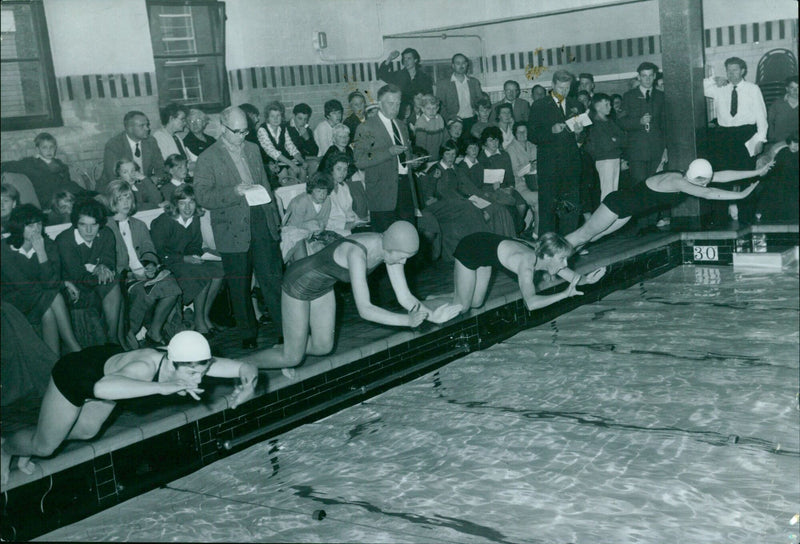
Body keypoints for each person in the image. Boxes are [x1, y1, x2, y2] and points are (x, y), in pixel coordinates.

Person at [0, 331, 258, 486]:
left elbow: (244, 367)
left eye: (202, 371)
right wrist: (163, 388)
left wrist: (249, 384)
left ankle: (34, 438)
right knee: (45, 448)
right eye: (191, 372)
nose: (198, 378)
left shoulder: (192, 362)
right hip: (77, 377)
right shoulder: (145, 367)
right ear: (172, 361)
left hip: (106, 368)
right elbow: (101, 389)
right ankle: (5, 448)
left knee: (87, 431)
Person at [249, 221, 461, 371]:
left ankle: (282, 348)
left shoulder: (391, 251)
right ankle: (241, 366)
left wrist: (434, 317)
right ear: (390, 247)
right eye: (402, 257)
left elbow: (405, 297)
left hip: (323, 286)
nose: (403, 263)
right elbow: (365, 309)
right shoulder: (357, 253)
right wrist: (407, 321)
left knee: (323, 347)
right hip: (298, 283)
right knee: (292, 358)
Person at [193, 106, 283, 350]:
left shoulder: (253, 149)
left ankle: (285, 329)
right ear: (223, 128)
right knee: (239, 284)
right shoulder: (208, 158)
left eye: (246, 131)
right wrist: (233, 192)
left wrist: (273, 222)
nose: (243, 136)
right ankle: (248, 334)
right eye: (237, 131)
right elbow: (202, 196)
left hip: (260, 221)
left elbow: (265, 185)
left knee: (272, 280)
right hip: (231, 227)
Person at [565, 158, 774, 249]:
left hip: (626, 211)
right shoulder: (678, 181)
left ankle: (557, 259)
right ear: (699, 178)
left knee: (593, 237)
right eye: (706, 180)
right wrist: (739, 196)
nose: (708, 182)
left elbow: (723, 175)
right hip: (617, 204)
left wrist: (756, 172)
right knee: (583, 235)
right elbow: (709, 193)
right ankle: (545, 255)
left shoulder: (689, 176)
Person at [446, 231, 605, 315]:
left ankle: (448, 296)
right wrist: (565, 294)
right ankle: (426, 308)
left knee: (476, 303)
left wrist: (587, 280)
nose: (565, 264)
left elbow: (573, 277)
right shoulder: (526, 264)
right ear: (548, 256)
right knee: (462, 307)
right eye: (562, 259)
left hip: (484, 251)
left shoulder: (545, 257)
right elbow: (531, 303)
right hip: (470, 248)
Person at [105, 180, 181, 348]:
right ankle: (129, 333)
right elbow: (109, 259)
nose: (126, 203)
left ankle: (154, 331)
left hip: (144, 273)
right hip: (124, 277)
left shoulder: (139, 224)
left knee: (172, 286)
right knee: (144, 291)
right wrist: (131, 273)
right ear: (112, 201)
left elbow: (148, 248)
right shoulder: (106, 227)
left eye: (128, 198)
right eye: (120, 199)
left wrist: (150, 265)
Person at [1, 204, 82, 355]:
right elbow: (24, 287)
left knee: (48, 312)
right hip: (12, 301)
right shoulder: (4, 250)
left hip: (39, 298)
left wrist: (41, 253)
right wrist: (61, 283)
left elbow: (51, 283)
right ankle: (75, 348)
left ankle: (53, 362)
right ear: (18, 226)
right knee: (54, 296)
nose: (36, 229)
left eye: (39, 224)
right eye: (30, 225)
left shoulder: (47, 245)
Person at [150, 184, 225, 336]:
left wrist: (195, 256)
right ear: (175, 204)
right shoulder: (165, 220)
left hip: (186, 261)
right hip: (168, 262)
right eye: (182, 203)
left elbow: (195, 245)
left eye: (191, 202)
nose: (187, 207)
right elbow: (159, 252)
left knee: (219, 271)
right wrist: (185, 258)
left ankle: (204, 315)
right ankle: (199, 322)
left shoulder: (195, 219)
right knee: (201, 273)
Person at [704, 57, 768, 223]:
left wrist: (761, 138)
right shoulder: (719, 88)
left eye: (735, 70)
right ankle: (720, 218)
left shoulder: (752, 89)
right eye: (728, 70)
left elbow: (761, 115)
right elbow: (699, 87)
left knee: (747, 176)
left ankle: (747, 217)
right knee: (720, 177)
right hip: (723, 135)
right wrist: (714, 79)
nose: (732, 74)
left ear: (743, 71)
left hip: (746, 134)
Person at [353, 84, 421, 232]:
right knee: (386, 241)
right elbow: (359, 160)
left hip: (405, 189)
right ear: (379, 104)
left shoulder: (402, 125)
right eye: (391, 103)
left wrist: (412, 161)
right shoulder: (366, 127)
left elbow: (403, 155)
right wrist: (388, 152)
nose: (396, 108)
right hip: (382, 193)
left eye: (398, 103)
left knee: (408, 237)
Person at [55, 198, 122, 345]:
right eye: (83, 225)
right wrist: (98, 270)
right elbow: (78, 276)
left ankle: (113, 338)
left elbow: (109, 260)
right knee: (107, 282)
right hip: (74, 289)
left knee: (111, 280)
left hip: (94, 283)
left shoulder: (106, 234)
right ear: (75, 224)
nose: (89, 231)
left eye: (94, 225)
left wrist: (104, 266)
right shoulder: (64, 240)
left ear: (100, 224)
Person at [529, 70, 585, 236]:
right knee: (548, 209)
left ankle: (569, 244)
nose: (564, 92)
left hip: (571, 164)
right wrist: (550, 131)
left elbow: (582, 138)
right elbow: (532, 135)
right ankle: (547, 247)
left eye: (567, 88)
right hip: (549, 166)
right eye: (560, 88)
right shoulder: (539, 106)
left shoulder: (577, 105)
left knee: (570, 208)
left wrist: (579, 132)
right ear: (552, 85)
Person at [1, 133, 89, 208]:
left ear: (55, 148)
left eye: (52, 147)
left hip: (65, 199)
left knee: (88, 204)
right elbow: (7, 165)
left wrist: (92, 194)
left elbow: (69, 185)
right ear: (37, 149)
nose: (49, 150)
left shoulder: (61, 165)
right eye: (44, 147)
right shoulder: (30, 163)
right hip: (48, 203)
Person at [619, 62, 666, 188]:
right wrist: (638, 122)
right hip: (636, 151)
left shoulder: (661, 96)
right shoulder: (629, 96)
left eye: (650, 75)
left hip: (657, 150)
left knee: (656, 186)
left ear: (655, 76)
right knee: (639, 187)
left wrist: (666, 148)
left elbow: (665, 125)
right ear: (638, 77)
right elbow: (621, 122)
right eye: (644, 76)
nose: (648, 79)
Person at [478, 126, 531, 236]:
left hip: (506, 188)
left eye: (496, 140)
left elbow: (510, 176)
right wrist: (492, 188)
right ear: (485, 142)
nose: (494, 143)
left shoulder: (504, 155)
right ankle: (511, 233)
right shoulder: (480, 157)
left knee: (522, 205)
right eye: (491, 140)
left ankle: (516, 230)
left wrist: (510, 187)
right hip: (490, 191)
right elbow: (479, 181)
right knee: (507, 208)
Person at [100, 111, 165, 194]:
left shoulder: (151, 141)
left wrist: (156, 178)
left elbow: (160, 166)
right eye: (142, 126)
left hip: (144, 187)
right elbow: (113, 176)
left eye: (147, 125)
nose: (147, 128)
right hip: (118, 190)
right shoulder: (114, 145)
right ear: (129, 128)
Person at [280, 172, 334, 263]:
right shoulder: (300, 202)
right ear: (311, 190)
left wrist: (321, 227)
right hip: (293, 236)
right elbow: (293, 227)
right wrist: (308, 226)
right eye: (318, 191)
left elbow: (324, 221)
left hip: (313, 235)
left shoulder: (327, 201)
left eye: (325, 191)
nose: (322, 195)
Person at [584, 93, 626, 200]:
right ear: (597, 107)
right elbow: (606, 144)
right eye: (606, 104)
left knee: (613, 191)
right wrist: (615, 140)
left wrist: (614, 140)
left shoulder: (609, 121)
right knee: (607, 192)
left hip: (615, 158)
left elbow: (623, 139)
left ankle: (612, 215)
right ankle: (605, 215)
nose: (610, 106)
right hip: (605, 160)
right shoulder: (594, 124)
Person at [257, 101, 306, 179]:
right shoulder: (262, 130)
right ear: (267, 118)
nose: (275, 119)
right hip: (268, 163)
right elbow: (272, 151)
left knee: (302, 171)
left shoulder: (283, 128)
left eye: (278, 115)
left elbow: (291, 147)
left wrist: (302, 161)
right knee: (285, 174)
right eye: (272, 116)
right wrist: (291, 164)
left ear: (282, 116)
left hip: (282, 161)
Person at [436, 53, 483, 133]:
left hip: (472, 120)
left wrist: (477, 111)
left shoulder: (474, 82)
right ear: (453, 65)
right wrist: (449, 119)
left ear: (467, 64)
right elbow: (440, 105)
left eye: (463, 63)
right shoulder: (443, 84)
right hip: (454, 122)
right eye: (458, 63)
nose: (461, 66)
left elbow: (480, 101)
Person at [324, 152, 367, 236]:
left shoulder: (344, 187)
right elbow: (324, 219)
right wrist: (348, 225)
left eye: (345, 169)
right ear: (331, 169)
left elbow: (349, 211)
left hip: (348, 225)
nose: (342, 173)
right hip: (332, 230)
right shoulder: (323, 190)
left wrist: (359, 221)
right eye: (339, 169)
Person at [505, 122, 539, 225]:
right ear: (515, 133)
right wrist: (530, 167)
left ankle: (536, 231)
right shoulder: (511, 149)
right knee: (539, 199)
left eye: (525, 131)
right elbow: (515, 172)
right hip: (519, 185)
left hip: (535, 183)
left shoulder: (532, 146)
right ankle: (537, 231)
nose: (522, 134)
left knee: (541, 201)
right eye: (519, 132)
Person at [413, 94, 447, 161]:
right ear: (422, 109)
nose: (431, 111)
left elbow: (445, 138)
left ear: (437, 108)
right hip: (427, 159)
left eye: (434, 108)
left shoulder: (440, 118)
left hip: (439, 157)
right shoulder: (421, 123)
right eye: (428, 108)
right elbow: (421, 146)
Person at [767, 75, 798, 145]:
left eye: (798, 87)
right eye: (792, 87)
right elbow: (769, 121)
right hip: (780, 141)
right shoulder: (777, 104)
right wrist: (772, 138)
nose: (795, 91)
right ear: (787, 89)